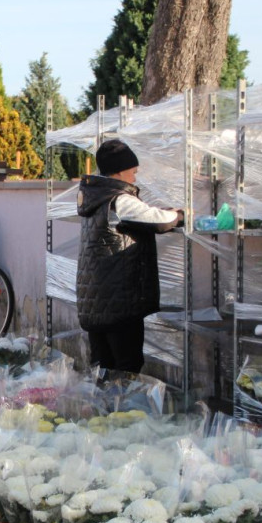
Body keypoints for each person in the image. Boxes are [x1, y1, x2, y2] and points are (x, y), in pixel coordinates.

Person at [75, 139, 183, 373]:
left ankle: (99, 409)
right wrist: (179, 214)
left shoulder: (95, 198)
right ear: (121, 170)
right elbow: (160, 221)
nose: (135, 176)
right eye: (133, 171)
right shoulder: (118, 199)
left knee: (102, 368)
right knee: (126, 369)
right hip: (118, 302)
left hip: (95, 300)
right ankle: (121, 410)